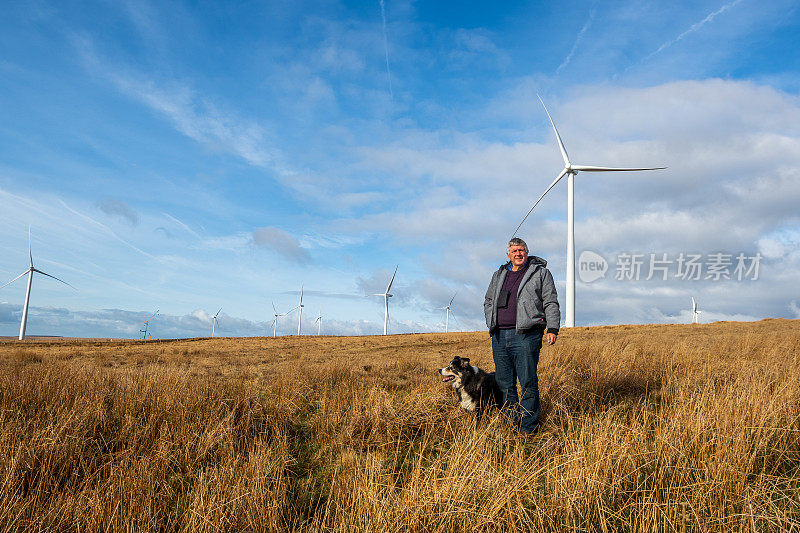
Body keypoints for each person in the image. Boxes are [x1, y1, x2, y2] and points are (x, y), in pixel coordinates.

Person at [484, 237, 560, 435]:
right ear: (508, 254)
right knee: (504, 384)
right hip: (499, 336)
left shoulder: (540, 273)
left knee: (527, 382)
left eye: (522, 250)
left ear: (527, 252)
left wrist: (552, 328)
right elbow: (489, 301)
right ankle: (512, 424)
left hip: (527, 335)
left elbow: (550, 301)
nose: (518, 254)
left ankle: (528, 428)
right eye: (515, 251)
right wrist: (491, 323)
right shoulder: (498, 274)